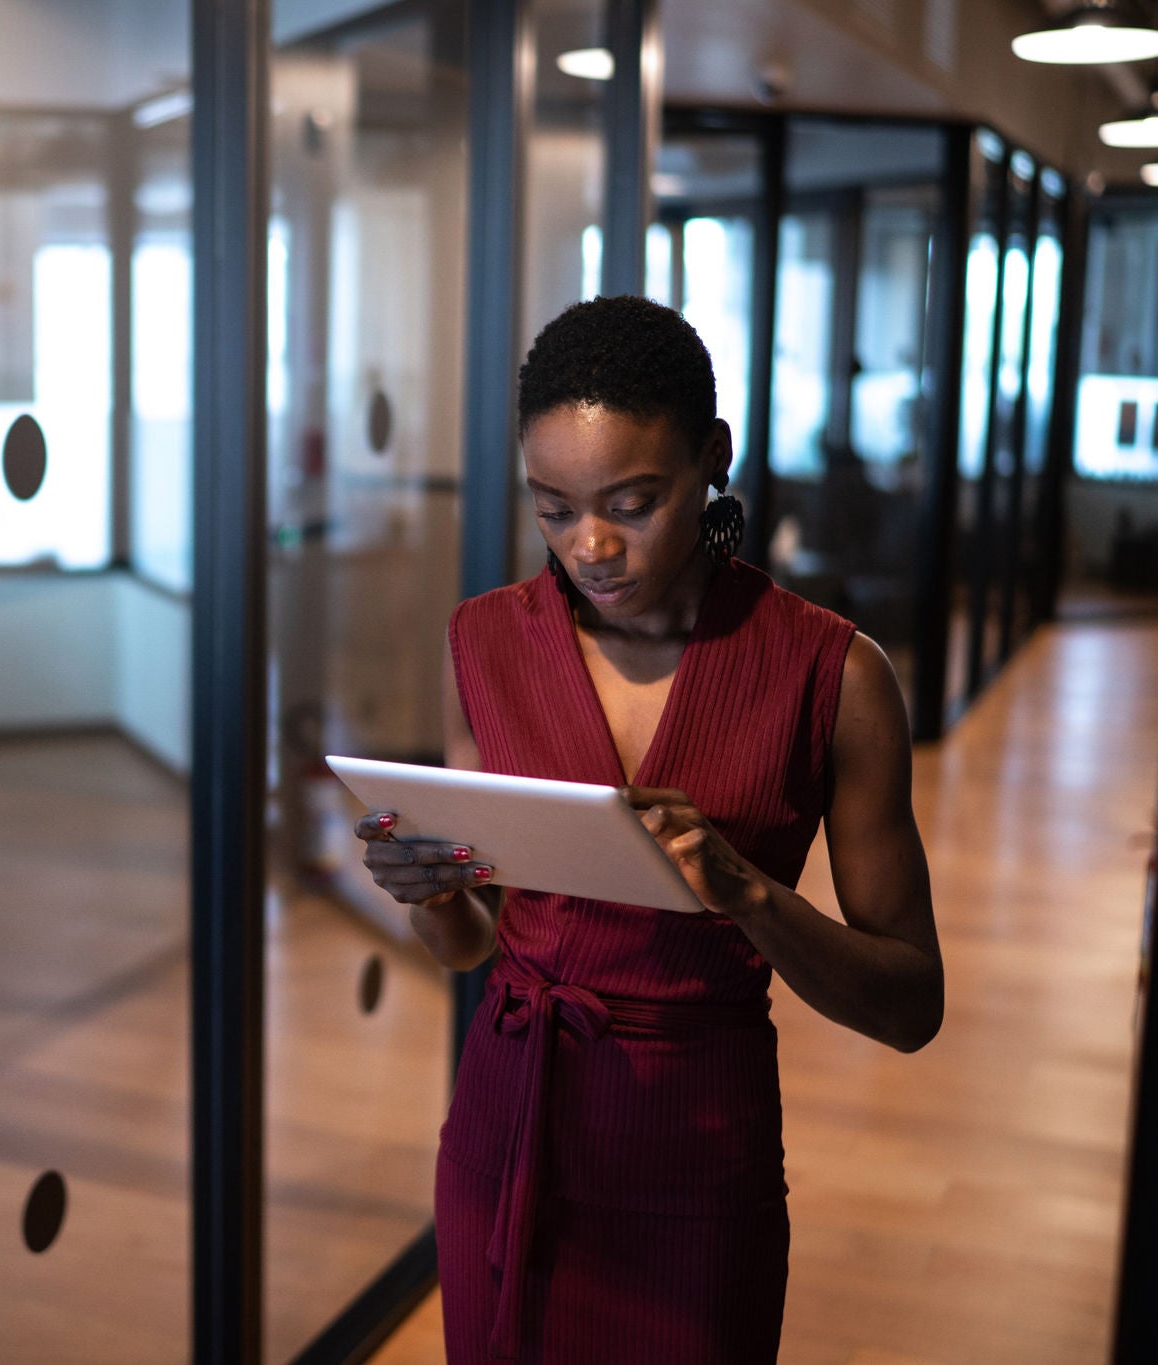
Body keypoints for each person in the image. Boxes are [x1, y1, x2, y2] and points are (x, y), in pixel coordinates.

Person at [355, 296, 942, 1363]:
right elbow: (472, 946)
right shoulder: (483, 643)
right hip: (505, 1126)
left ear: (711, 458)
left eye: (633, 502)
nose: (590, 547)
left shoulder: (832, 675)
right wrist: (431, 897)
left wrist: (749, 896)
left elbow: (910, 1005)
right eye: (551, 508)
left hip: (692, 1155)